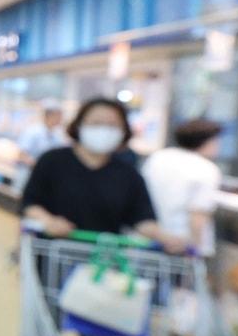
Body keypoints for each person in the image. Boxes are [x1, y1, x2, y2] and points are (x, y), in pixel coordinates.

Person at [21, 97, 186, 251]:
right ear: (79, 125)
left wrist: (165, 237)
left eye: (113, 125)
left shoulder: (128, 174)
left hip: (104, 259)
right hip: (53, 252)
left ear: (124, 131)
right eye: (96, 123)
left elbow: (142, 218)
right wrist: (48, 221)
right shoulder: (52, 160)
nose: (104, 129)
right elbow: (30, 202)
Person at [142, 119, 224, 256]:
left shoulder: (158, 157)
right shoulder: (207, 169)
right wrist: (195, 249)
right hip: (180, 244)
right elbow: (198, 214)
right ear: (207, 141)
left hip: (149, 237)